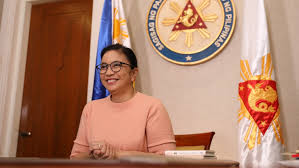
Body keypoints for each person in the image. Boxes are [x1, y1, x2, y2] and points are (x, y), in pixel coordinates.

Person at [70, 44, 176, 159]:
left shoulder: (153, 107)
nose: (108, 72)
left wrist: (117, 155)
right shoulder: (91, 108)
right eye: (104, 66)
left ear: (133, 74)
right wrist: (94, 153)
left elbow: (167, 160)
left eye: (116, 66)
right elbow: (75, 158)